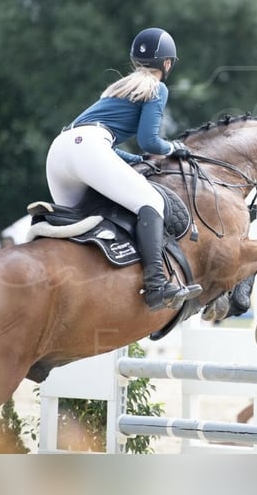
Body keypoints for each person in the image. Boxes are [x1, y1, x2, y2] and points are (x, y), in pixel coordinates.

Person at [45, 27, 201, 311]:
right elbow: (149, 140)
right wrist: (173, 147)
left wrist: (131, 160)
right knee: (152, 202)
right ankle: (156, 285)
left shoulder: (118, 89)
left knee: (77, 229)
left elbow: (97, 142)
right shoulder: (157, 88)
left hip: (60, 151)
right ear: (167, 64)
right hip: (89, 148)